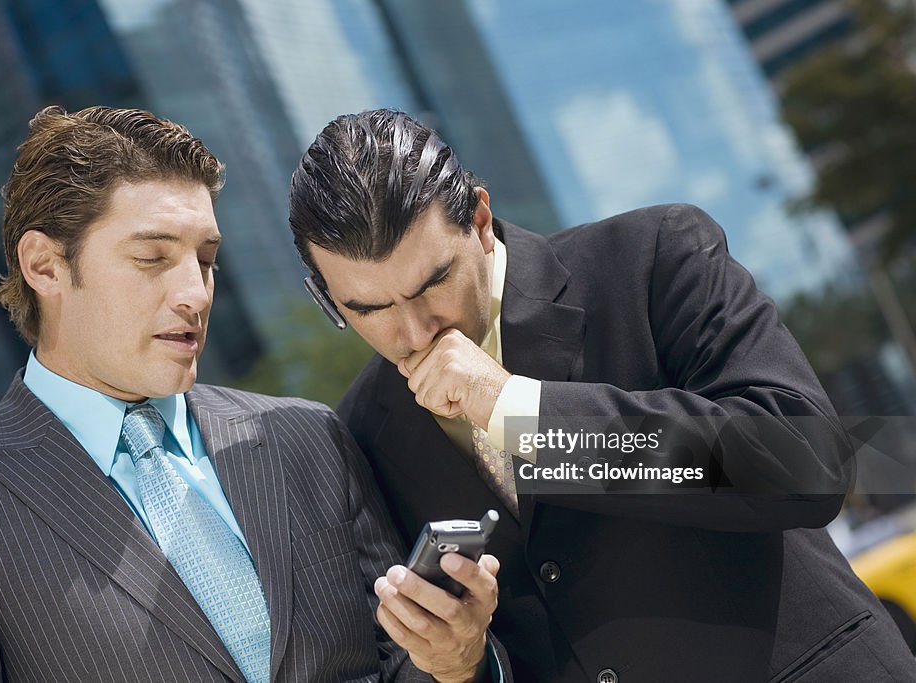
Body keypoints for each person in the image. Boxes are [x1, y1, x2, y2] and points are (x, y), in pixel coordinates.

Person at [287, 109, 916, 682]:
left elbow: (804, 463)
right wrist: (461, 666)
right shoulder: (361, 431)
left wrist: (516, 409)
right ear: (328, 298)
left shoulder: (654, 256)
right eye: (369, 310)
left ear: (479, 221)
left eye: (435, 282)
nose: (415, 331)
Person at [0, 106, 508, 683]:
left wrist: (460, 663)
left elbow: (404, 664)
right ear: (45, 265)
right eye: (153, 258)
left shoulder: (307, 437)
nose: (196, 292)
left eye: (206, 259)